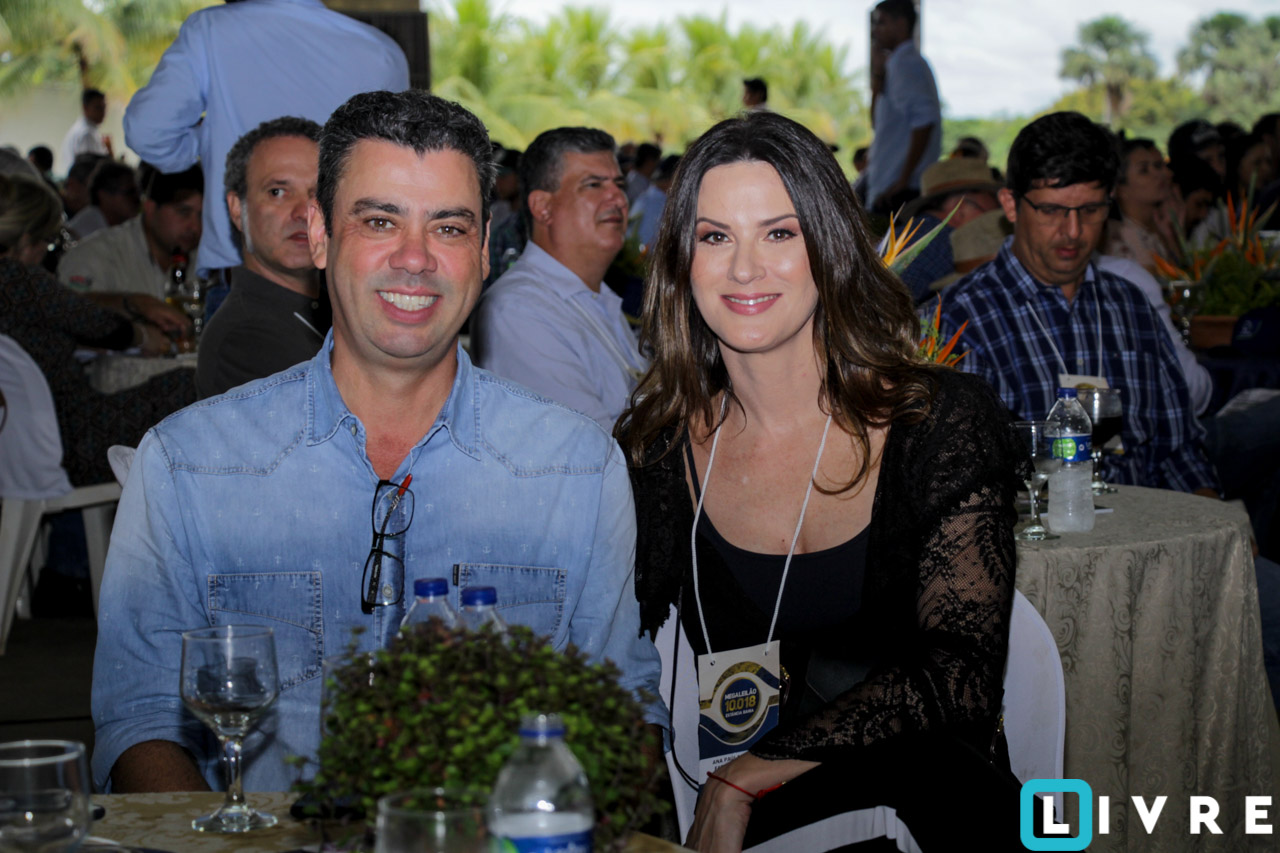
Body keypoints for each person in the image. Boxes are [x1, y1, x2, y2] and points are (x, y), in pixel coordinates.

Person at [91, 90, 665, 794]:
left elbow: (628, 708)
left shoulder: (577, 468)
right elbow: (139, 718)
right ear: (320, 234)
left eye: (448, 227)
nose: (415, 258)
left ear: (485, 249)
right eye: (380, 221)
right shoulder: (189, 465)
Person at [617, 110, 1025, 852]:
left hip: (929, 800)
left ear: (830, 248)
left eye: (780, 233)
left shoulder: (937, 423)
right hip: (764, 830)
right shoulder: (656, 452)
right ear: (681, 262)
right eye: (715, 237)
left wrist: (749, 773)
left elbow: (959, 675)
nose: (745, 268)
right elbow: (617, 666)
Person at [937, 112, 1216, 494]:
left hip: (1150, 520)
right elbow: (964, 487)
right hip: (1036, 529)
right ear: (1011, 205)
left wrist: (1209, 512)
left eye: (1090, 210)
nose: (1073, 231)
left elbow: (1180, 451)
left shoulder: (1131, 307)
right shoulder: (962, 321)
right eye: (1051, 210)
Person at [122, 0, 409, 287]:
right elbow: (394, 171)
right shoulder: (381, 52)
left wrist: (205, 140)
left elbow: (147, 132)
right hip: (347, 276)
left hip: (246, 270)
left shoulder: (211, 31)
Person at [0, 173, 194, 486]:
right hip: (69, 440)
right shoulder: (22, 280)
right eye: (46, 241)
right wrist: (144, 335)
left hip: (16, 442)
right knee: (190, 385)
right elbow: (104, 326)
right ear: (26, 240)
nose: (45, 252)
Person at [471, 127, 646, 429]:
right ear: (543, 207)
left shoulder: (594, 295)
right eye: (593, 185)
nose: (618, 197)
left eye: (619, 184)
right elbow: (590, 447)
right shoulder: (517, 312)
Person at [196, 116, 329, 399]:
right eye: (277, 192)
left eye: (318, 194)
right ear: (237, 209)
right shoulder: (243, 341)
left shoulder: (335, 308)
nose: (304, 212)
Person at [58, 162, 202, 302]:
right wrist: (131, 305)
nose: (195, 226)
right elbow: (73, 307)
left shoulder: (204, 260)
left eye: (202, 216)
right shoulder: (95, 256)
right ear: (150, 209)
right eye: (184, 212)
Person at [865, 0, 940, 214]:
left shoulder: (906, 64)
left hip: (900, 191)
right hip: (891, 186)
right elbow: (876, 123)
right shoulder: (895, 64)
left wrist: (903, 180)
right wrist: (878, 76)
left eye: (881, 23)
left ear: (901, 24)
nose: (875, 31)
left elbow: (924, 122)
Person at [898, 158, 1002, 303]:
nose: (997, 212)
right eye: (990, 214)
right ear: (960, 210)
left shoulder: (910, 233)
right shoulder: (946, 245)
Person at [1102, 138, 1178, 274]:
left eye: (1156, 166)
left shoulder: (1156, 230)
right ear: (1121, 189)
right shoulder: (1120, 240)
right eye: (1144, 170)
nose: (1159, 174)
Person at [66, 160, 139, 240]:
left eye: (138, 192)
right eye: (130, 192)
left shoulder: (115, 226)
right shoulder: (87, 233)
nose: (137, 198)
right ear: (104, 195)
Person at [60, 88, 111, 173]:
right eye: (98, 107)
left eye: (104, 107)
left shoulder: (80, 128)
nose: (103, 112)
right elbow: (90, 170)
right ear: (85, 107)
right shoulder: (87, 134)